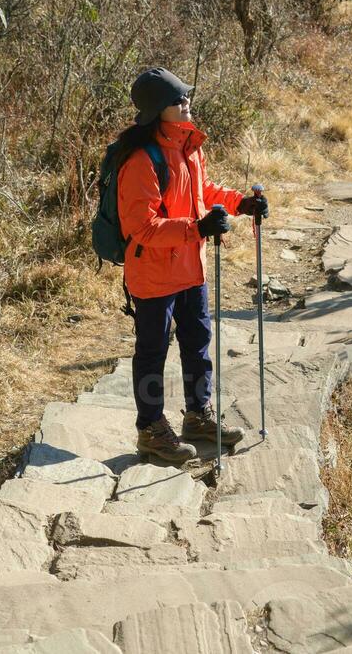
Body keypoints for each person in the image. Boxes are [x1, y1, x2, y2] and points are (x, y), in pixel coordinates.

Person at [116, 67, 269, 464]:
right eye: (177, 99)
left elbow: (202, 192)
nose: (186, 102)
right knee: (152, 352)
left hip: (189, 268)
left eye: (186, 95)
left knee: (197, 345)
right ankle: (151, 430)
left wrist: (240, 203)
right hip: (152, 274)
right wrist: (196, 228)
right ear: (156, 111)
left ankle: (197, 416)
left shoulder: (188, 145)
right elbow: (141, 228)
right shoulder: (141, 161)